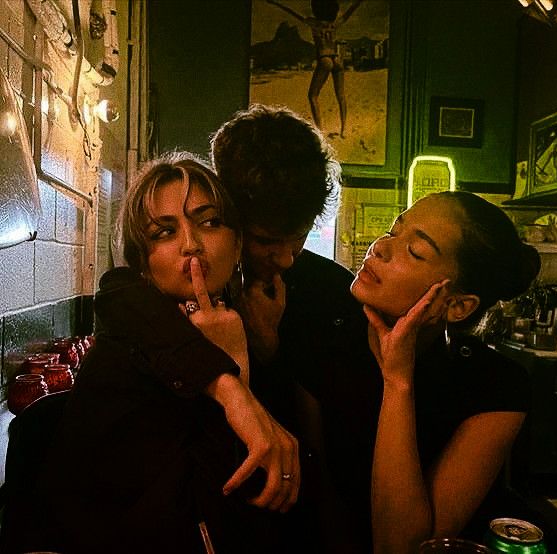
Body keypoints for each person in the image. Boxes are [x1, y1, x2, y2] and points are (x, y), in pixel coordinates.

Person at [0, 152, 299, 554]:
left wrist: (254, 349)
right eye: (164, 232)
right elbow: (197, 524)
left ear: (238, 241)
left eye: (208, 222)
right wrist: (232, 378)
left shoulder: (254, 327)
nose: (191, 245)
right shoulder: (126, 347)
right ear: (145, 263)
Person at [210, 103, 377, 552]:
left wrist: (270, 350)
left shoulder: (334, 291)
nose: (286, 258)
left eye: (299, 236)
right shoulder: (197, 280)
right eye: (266, 240)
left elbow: (338, 451)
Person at [350, 191, 541, 553]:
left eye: (416, 251)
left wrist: (398, 382)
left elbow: (404, 546)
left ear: (457, 305)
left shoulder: (498, 384)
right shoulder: (328, 334)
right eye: (394, 230)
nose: (380, 248)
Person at [266, 0, 365, 138]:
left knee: (312, 96)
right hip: (336, 59)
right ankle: (344, 130)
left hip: (324, 58)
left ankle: (320, 131)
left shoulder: (314, 23)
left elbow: (292, 12)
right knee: (341, 96)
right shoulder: (334, 24)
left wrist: (276, 3)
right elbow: (349, 12)